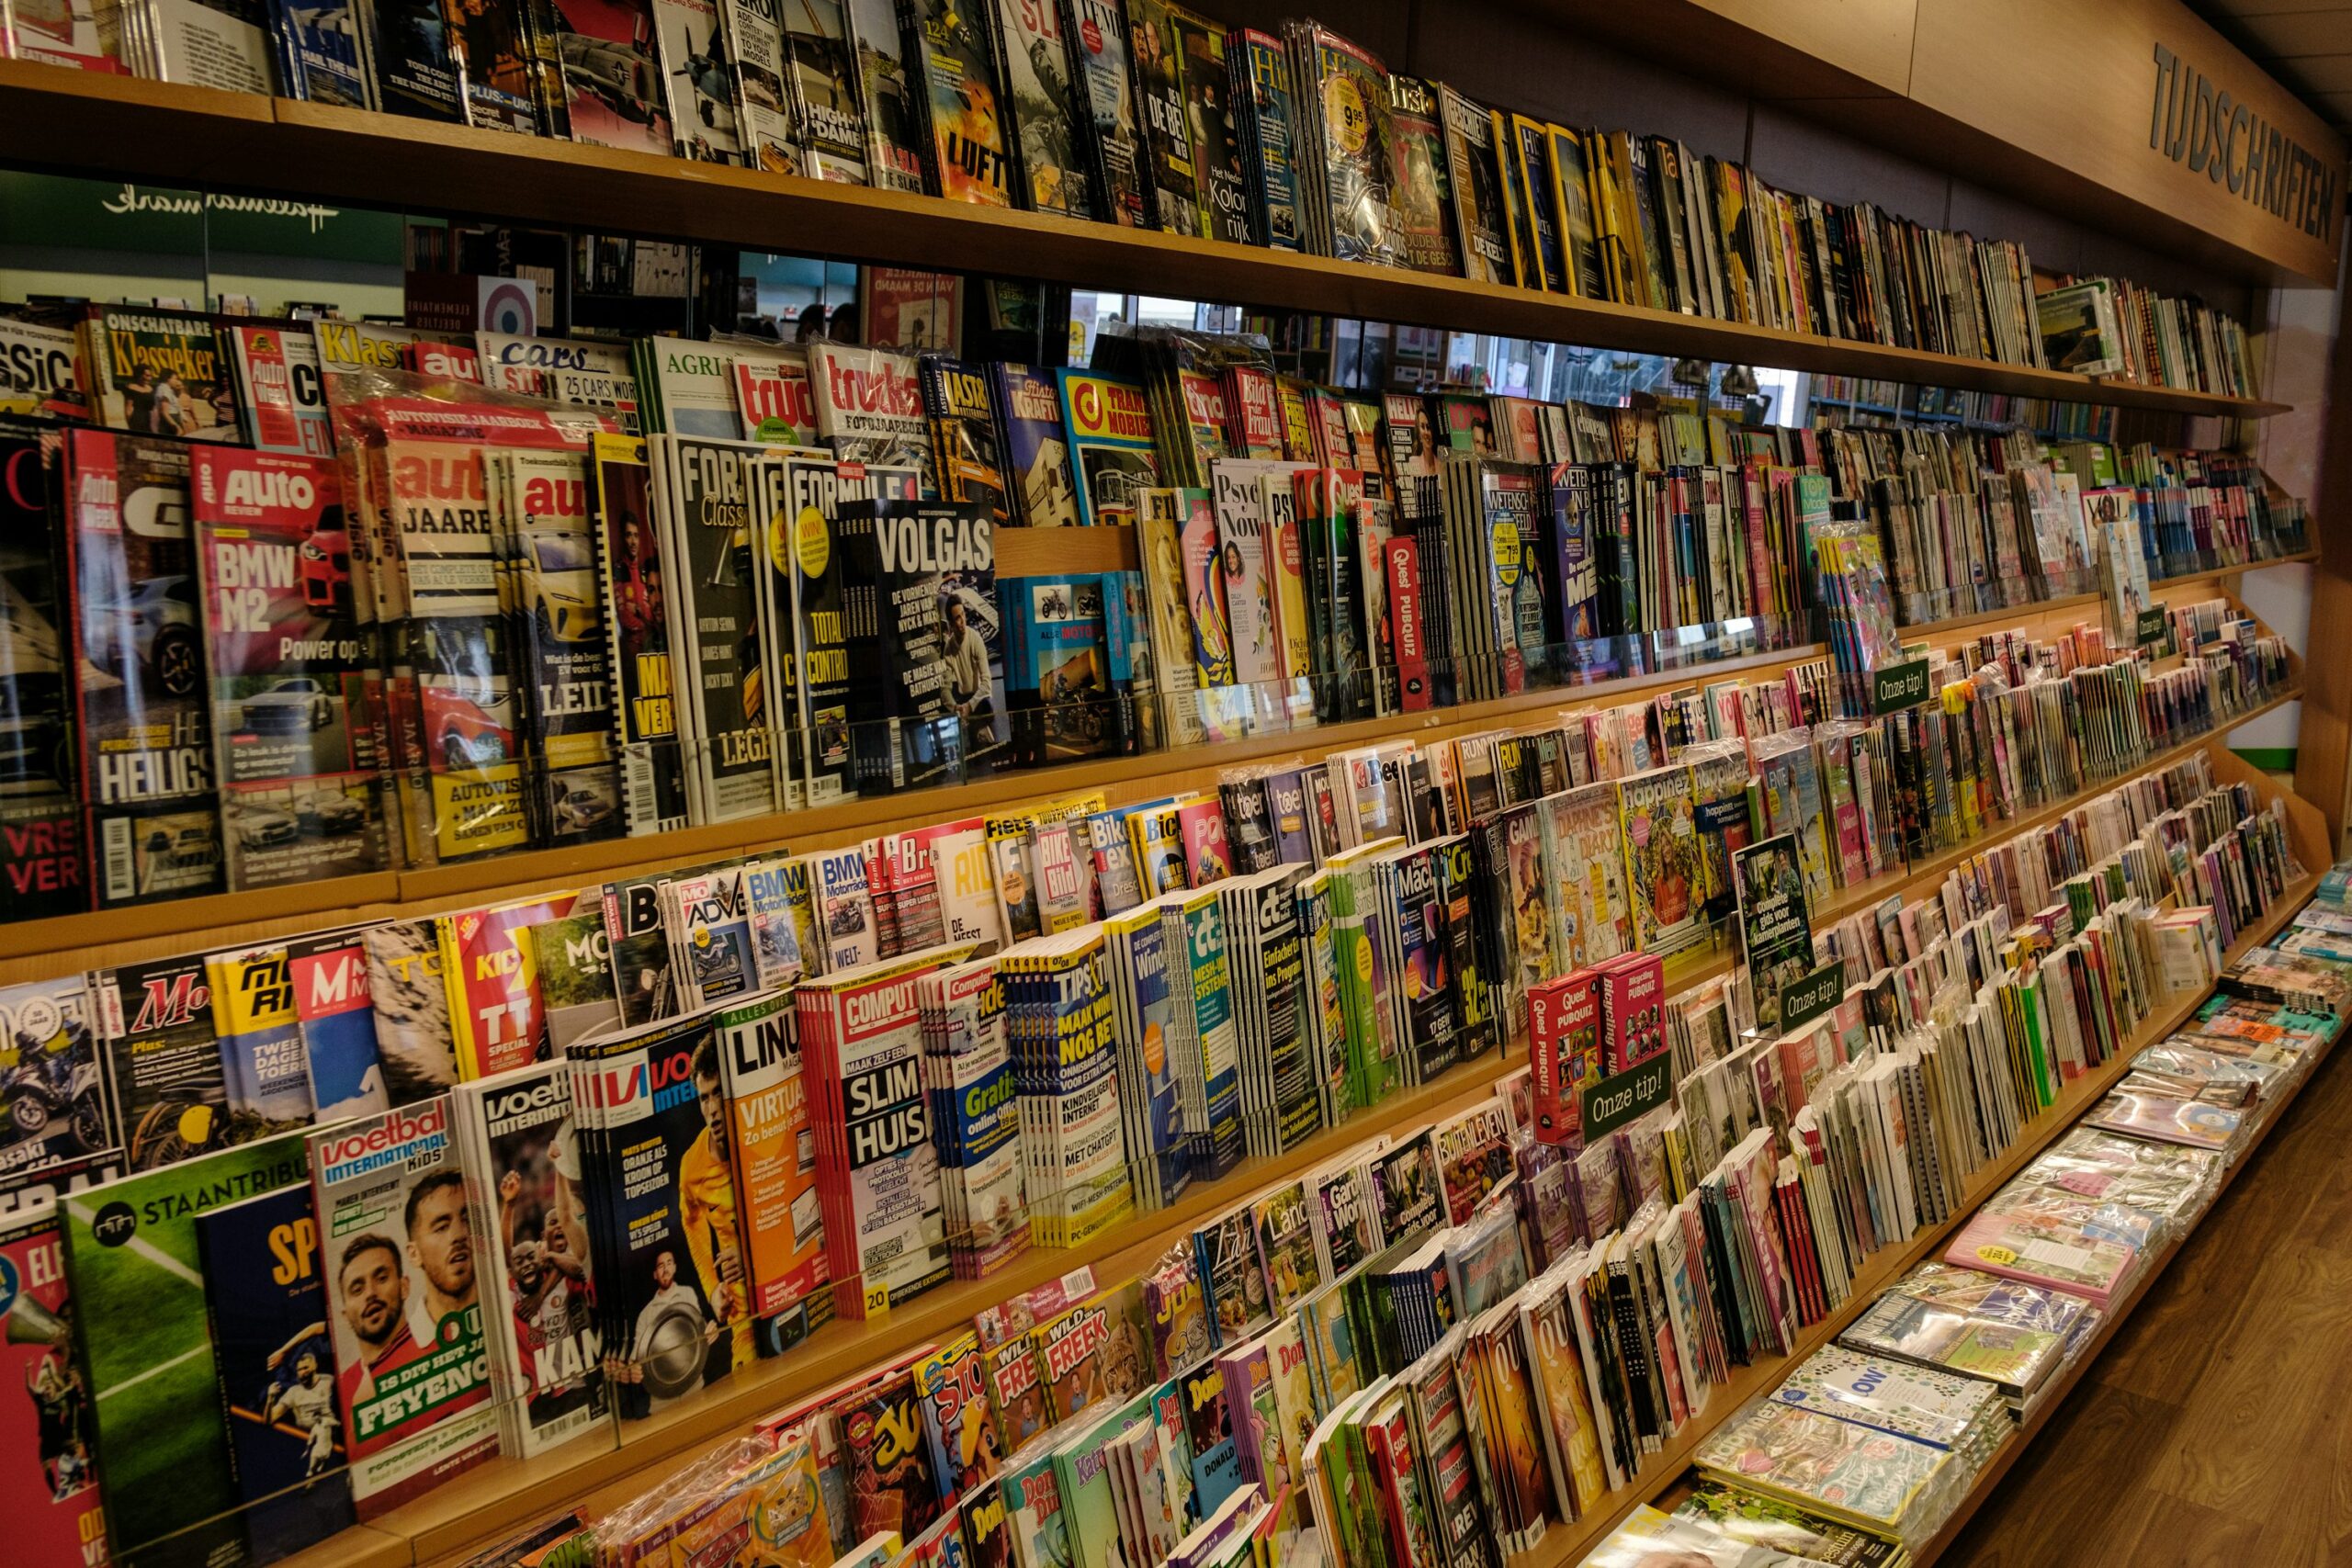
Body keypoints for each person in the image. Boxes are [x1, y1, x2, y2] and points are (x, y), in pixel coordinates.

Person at [677, 1038, 749, 1379]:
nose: (712, 1109)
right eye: (704, 1098)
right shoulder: (692, 1168)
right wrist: (712, 1289)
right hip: (745, 1319)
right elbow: (691, 1226)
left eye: (718, 1093)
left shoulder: (765, 1135)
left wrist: (749, 1256)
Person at [331, 1234, 424, 1436]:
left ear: (404, 1287)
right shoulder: (339, 1391)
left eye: (381, 1279)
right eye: (357, 1289)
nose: (370, 1293)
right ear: (346, 1316)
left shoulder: (435, 1350)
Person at [404, 1168, 477, 1341]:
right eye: (441, 1228)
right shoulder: (402, 1349)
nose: (458, 1235)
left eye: (467, 1220)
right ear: (414, 1254)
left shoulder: (516, 1304)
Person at [262, 1348, 340, 1479]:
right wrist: (270, 1398)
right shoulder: (294, 1392)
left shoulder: (329, 1381)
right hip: (305, 1439)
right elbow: (268, 1420)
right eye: (299, 1370)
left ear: (315, 1366)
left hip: (333, 1439)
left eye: (306, 1368)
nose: (303, 1373)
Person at [943, 594, 992, 737]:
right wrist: (955, 708)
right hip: (963, 702)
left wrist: (970, 706)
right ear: (951, 624)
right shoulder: (948, 649)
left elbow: (987, 684)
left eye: (963, 614)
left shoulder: (975, 639)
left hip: (980, 699)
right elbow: (945, 690)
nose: (963, 621)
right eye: (957, 618)